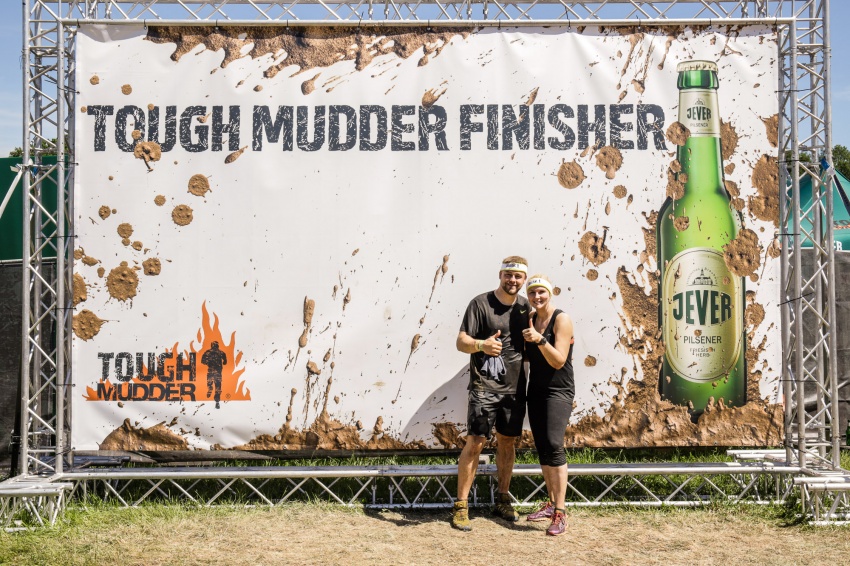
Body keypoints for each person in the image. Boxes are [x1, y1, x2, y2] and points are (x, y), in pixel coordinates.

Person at [451, 256, 530, 532]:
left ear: (524, 279)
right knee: (475, 443)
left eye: (518, 276)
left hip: (515, 389)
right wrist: (481, 345)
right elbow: (461, 341)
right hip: (484, 388)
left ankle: (503, 499)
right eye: (509, 275)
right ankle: (461, 506)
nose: (513, 280)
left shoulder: (526, 307)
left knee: (507, 443)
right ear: (500, 275)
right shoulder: (480, 303)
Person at [521, 274, 575, 536]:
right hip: (536, 390)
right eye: (532, 293)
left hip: (559, 390)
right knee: (542, 446)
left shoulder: (561, 319)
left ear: (550, 292)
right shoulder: (530, 319)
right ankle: (551, 504)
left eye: (541, 292)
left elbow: (559, 360)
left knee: (554, 444)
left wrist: (540, 339)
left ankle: (560, 513)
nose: (537, 297)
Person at [201, 341, 227, 409]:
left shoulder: (208, 352)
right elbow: (225, 362)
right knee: (218, 386)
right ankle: (217, 401)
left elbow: (202, 361)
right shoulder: (221, 352)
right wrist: (222, 362)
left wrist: (208, 362)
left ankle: (210, 389)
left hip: (211, 371)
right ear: (218, 345)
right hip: (218, 372)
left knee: (209, 382)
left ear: (211, 345)